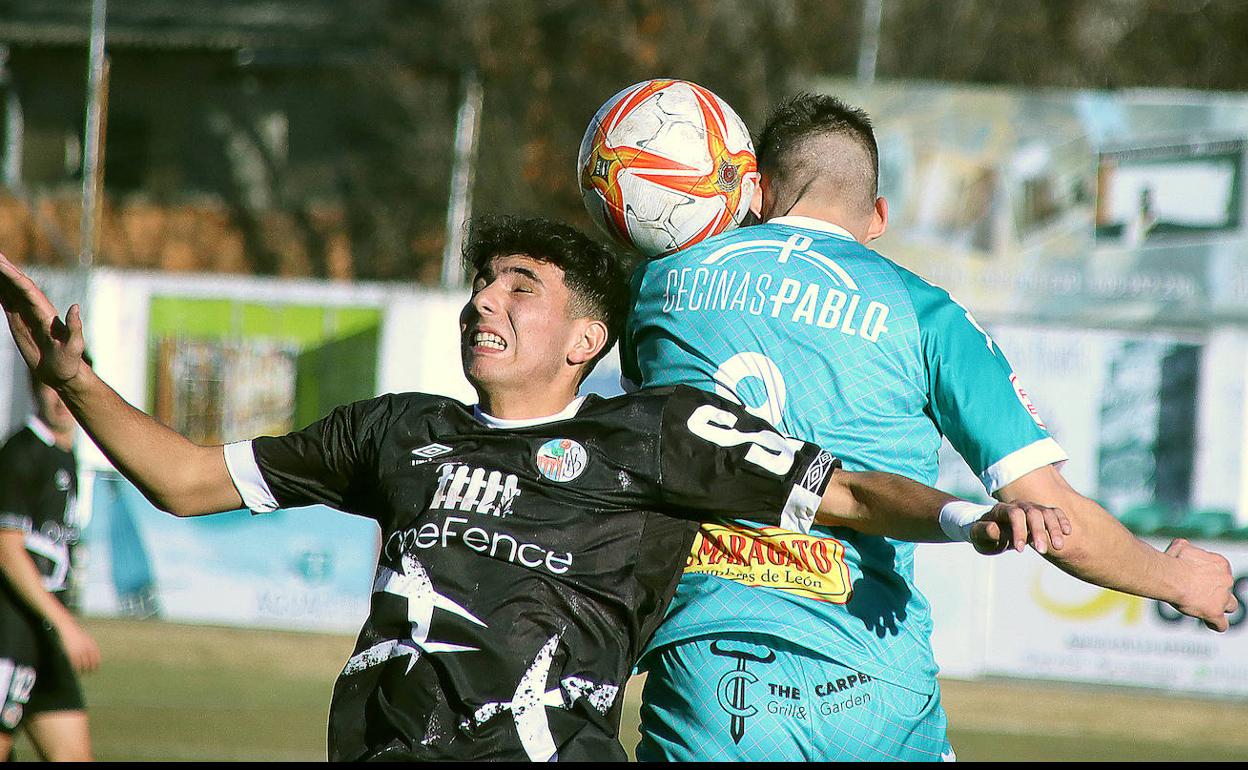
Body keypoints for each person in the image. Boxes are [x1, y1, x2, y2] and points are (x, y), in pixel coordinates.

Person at [0, 217, 1065, 761]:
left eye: (521, 288)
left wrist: (974, 516)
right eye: (479, 283)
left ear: (589, 338)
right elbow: (186, 479)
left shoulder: (653, 432)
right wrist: (74, 380)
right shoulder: (398, 428)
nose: (484, 302)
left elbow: (843, 494)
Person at [624, 93, 1238, 761]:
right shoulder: (929, 315)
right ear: (879, 217)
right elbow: (1052, 516)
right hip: (877, 685)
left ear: (759, 190)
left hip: (717, 668)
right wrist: (1178, 580)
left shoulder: (663, 284)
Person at [0, 368, 100, 762]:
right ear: (34, 390)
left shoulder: (67, 455)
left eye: (69, 388)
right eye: (51, 387)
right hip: (10, 633)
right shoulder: (20, 453)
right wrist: (66, 624)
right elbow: (8, 551)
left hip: (47, 638)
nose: (61, 399)